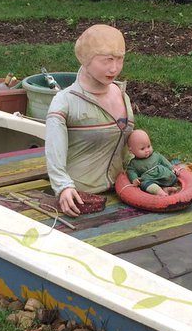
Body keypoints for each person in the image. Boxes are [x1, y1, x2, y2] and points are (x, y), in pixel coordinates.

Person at [45, 24, 134, 217]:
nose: (114, 68)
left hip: (122, 192)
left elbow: (130, 147)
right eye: (107, 60)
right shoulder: (65, 101)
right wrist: (63, 187)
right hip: (80, 199)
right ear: (85, 59)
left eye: (120, 60)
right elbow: (54, 153)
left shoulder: (121, 95)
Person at [125, 129, 178, 195]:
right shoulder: (134, 163)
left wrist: (171, 168)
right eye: (142, 149)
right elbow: (131, 171)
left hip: (163, 175)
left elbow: (164, 161)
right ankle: (160, 192)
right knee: (144, 184)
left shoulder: (155, 155)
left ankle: (166, 188)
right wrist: (134, 179)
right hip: (150, 180)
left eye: (148, 146)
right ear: (131, 150)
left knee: (171, 177)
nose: (147, 150)